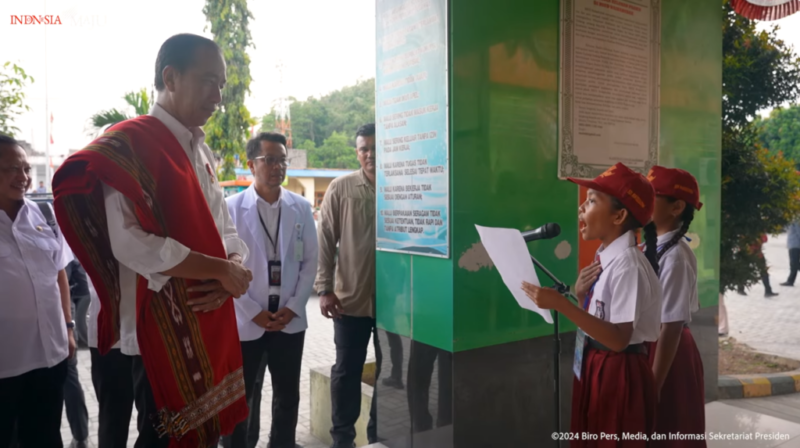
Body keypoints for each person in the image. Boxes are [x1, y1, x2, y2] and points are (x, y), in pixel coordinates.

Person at [52, 34, 253, 448]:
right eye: (210, 81)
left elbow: (223, 226)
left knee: (201, 434)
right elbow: (131, 244)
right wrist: (220, 270)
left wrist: (232, 266)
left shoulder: (202, 150)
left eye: (223, 86)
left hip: (206, 318)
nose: (219, 96)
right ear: (171, 77)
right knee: (163, 437)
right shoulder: (130, 145)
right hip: (158, 331)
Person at [522, 162, 662, 445]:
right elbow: (603, 319)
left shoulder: (628, 267)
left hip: (619, 372)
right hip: (598, 363)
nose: (581, 208)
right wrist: (582, 295)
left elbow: (620, 338)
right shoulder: (605, 259)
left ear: (619, 215)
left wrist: (563, 304)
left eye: (592, 201)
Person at [224, 132, 319, 448]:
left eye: (282, 160)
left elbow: (310, 263)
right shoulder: (231, 208)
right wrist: (253, 312)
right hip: (246, 321)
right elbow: (225, 269)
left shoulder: (301, 207)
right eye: (270, 159)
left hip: (288, 320)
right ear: (252, 164)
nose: (278, 166)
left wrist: (294, 306)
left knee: (287, 394)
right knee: (241, 395)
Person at [0, 134, 75, 447]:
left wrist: (69, 328)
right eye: (11, 169)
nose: (23, 177)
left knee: (45, 437)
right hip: (7, 365)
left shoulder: (45, 215)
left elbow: (59, 275)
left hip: (50, 357)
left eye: (26, 168)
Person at [316, 123, 380, 448]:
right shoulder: (341, 188)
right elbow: (325, 238)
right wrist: (325, 288)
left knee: (390, 372)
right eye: (363, 148)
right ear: (357, 152)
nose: (370, 154)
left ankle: (380, 435)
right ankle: (343, 439)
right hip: (349, 301)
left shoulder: (402, 188)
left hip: (393, 305)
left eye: (375, 147)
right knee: (346, 371)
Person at [645, 166, 706, 447]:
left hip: (668, 353)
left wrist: (653, 386)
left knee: (669, 428)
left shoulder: (676, 257)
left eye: (651, 195)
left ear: (677, 207)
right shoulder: (652, 246)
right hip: (653, 345)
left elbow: (670, 326)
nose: (641, 202)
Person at [781, 219, 800, 287]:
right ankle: (790, 281)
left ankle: (790, 281)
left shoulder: (796, 221)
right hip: (792, 244)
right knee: (793, 264)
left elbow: (799, 232)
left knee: (794, 264)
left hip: (795, 245)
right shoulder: (791, 221)